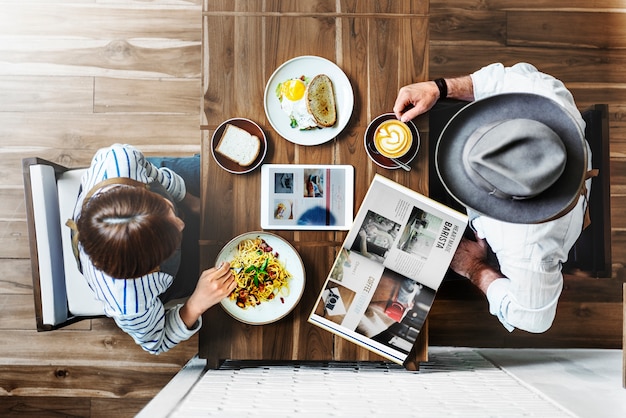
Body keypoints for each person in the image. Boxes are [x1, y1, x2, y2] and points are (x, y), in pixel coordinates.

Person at [393, 63, 594, 333]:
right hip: (547, 177)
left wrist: (474, 268)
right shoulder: (545, 95)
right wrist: (439, 88)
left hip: (530, 219)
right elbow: (506, 77)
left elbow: (534, 320)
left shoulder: (528, 247)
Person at [69, 144, 236, 354]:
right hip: (166, 273)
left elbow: (153, 175)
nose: (183, 224)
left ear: (140, 189)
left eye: (166, 206)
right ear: (150, 267)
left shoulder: (121, 161)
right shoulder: (128, 302)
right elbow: (156, 342)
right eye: (174, 240)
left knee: (225, 171)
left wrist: (191, 201)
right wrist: (195, 304)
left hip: (160, 184)